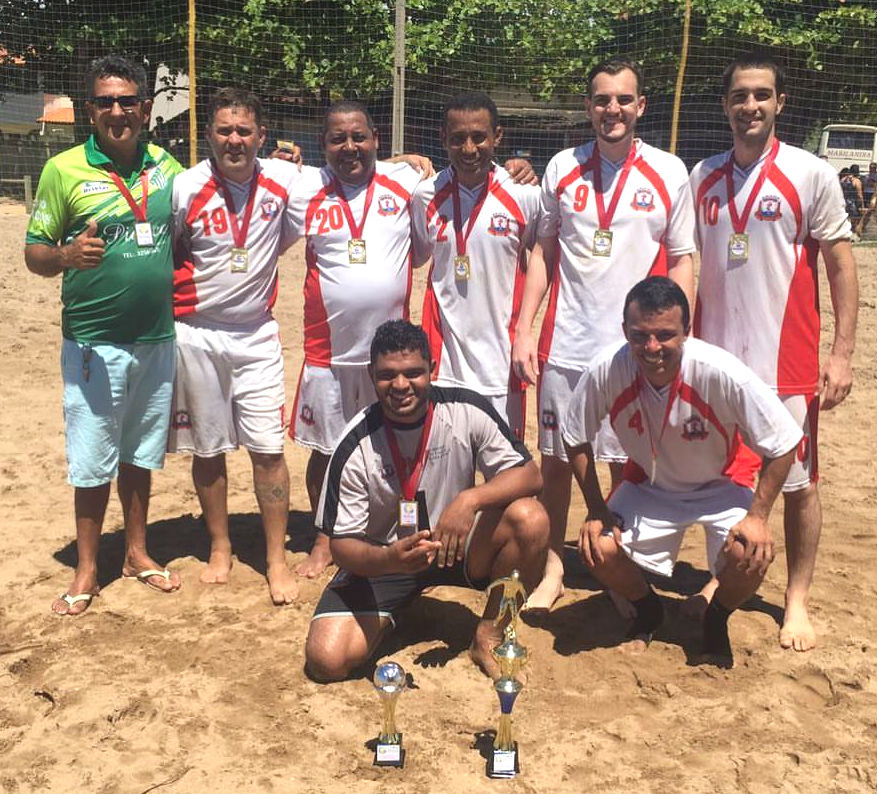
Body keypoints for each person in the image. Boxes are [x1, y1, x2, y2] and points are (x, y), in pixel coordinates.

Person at [286, 101, 537, 579]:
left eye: (359, 136)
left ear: (376, 138)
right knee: (328, 450)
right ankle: (326, 539)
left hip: (398, 355)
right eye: (338, 139)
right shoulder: (309, 188)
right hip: (330, 352)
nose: (350, 147)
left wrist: (518, 168)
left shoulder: (409, 185)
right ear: (323, 145)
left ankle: (478, 545)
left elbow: (539, 244)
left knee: (438, 447)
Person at [511, 56, 696, 611]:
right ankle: (552, 568)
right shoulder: (562, 166)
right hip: (566, 343)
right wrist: (524, 328)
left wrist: (680, 334)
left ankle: (621, 569)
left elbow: (684, 259)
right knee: (556, 461)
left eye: (622, 99)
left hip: (636, 350)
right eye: (601, 99)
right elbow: (543, 252)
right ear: (588, 106)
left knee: (626, 462)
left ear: (641, 106)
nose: (611, 109)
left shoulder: (669, 171)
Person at [690, 52, 858, 652]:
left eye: (762, 95)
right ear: (725, 104)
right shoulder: (702, 176)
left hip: (786, 364)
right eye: (740, 96)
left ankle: (797, 601)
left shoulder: (810, 173)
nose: (750, 106)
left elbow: (840, 264)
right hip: (716, 365)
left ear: (780, 103)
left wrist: (840, 354)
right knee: (724, 479)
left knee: (799, 484)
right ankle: (722, 580)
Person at [563, 277, 803, 667]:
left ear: (687, 332)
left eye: (665, 335)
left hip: (720, 484)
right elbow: (574, 437)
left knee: (751, 552)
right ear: (625, 331)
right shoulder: (608, 369)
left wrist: (758, 516)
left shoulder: (720, 371)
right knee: (597, 547)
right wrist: (595, 508)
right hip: (651, 486)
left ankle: (716, 618)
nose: (652, 348)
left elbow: (785, 441)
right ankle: (648, 610)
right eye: (640, 335)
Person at [24, 55, 183, 615]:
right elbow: (33, 253)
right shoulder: (62, 170)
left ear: (145, 107)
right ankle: (88, 568)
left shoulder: (166, 165)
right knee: (93, 458)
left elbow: (201, 212)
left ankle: (136, 553)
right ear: (90, 110)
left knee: (140, 453)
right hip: (94, 340)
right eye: (104, 101)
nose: (117, 110)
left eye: (127, 100)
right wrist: (66, 255)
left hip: (158, 338)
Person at [304, 320, 549, 681]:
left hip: (457, 546)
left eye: (413, 373)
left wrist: (470, 499)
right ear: (371, 374)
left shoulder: (466, 409)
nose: (401, 385)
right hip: (385, 558)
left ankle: (489, 634)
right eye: (387, 375)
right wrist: (389, 558)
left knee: (531, 519)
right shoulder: (354, 443)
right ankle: (396, 611)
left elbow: (531, 475)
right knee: (326, 661)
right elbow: (340, 546)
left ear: (432, 369)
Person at [169, 88, 305, 604]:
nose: (234, 139)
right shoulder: (184, 188)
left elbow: (347, 169)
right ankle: (221, 546)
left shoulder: (285, 180)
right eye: (224, 130)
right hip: (197, 331)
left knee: (269, 449)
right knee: (207, 448)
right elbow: (169, 248)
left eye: (244, 131)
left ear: (262, 136)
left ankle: (274, 558)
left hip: (256, 333)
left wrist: (407, 159)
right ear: (209, 134)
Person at [413, 91, 541, 439]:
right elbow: (416, 256)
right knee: (448, 474)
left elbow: (544, 260)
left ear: (497, 136)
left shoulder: (524, 195)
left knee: (504, 476)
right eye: (457, 139)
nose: (469, 149)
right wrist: (402, 160)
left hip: (502, 366)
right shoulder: (425, 195)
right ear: (443, 139)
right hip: (444, 365)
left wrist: (526, 330)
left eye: (479, 137)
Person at [840, 165, 865, 240]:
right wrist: (862, 204)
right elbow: (859, 194)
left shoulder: (843, 179)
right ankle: (854, 237)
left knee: (846, 220)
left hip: (844, 202)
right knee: (856, 220)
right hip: (853, 203)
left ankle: (845, 236)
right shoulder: (856, 181)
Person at [857, 161, 876, 236]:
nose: (871, 169)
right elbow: (865, 183)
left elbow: (873, 184)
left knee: (871, 208)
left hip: (873, 193)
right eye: (870, 167)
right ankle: (863, 226)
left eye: (873, 167)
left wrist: (872, 183)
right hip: (866, 192)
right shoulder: (867, 176)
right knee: (866, 208)